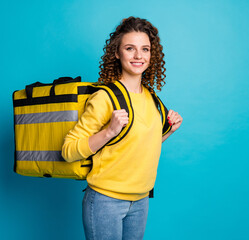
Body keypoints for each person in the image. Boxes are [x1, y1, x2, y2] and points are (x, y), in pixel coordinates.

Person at [62, 16, 183, 240]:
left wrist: (169, 131)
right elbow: (68, 151)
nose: (138, 56)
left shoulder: (152, 99)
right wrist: (108, 132)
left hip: (141, 200)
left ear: (151, 55)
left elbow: (141, 146)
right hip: (105, 201)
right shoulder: (104, 98)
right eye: (130, 48)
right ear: (117, 53)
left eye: (145, 49)